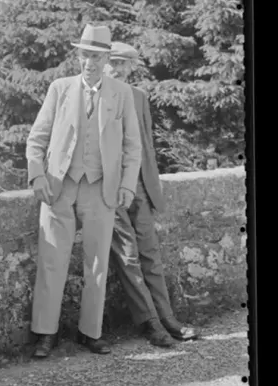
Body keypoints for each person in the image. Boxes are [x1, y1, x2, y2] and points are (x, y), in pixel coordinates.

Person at [26, 25, 142, 359]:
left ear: (107, 58)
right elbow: (37, 138)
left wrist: (126, 185)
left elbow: (132, 146)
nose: (89, 62)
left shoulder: (120, 94)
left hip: (100, 189)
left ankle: (90, 333)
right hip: (59, 186)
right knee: (51, 261)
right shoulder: (59, 89)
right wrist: (37, 177)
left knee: (96, 265)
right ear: (78, 56)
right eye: (84, 55)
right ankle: (45, 334)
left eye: (96, 56)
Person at [104, 42, 199, 346]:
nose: (117, 69)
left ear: (132, 68)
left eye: (123, 64)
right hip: (109, 190)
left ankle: (168, 318)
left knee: (150, 256)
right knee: (128, 256)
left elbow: (145, 146)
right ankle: (150, 323)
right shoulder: (95, 96)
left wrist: (149, 187)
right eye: (113, 62)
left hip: (140, 188)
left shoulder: (138, 97)